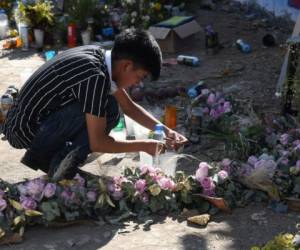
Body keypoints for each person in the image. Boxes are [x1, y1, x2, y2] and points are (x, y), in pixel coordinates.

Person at [2, 29, 188, 178]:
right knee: (108, 109)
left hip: (30, 120)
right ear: (127, 66)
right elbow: (98, 143)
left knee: (111, 109)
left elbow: (129, 107)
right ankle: (55, 162)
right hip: (23, 129)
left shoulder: (100, 57)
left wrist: (166, 131)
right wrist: (145, 145)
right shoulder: (94, 76)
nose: (137, 83)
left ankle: (59, 160)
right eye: (139, 77)